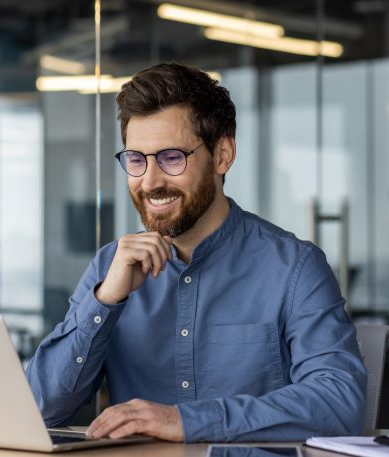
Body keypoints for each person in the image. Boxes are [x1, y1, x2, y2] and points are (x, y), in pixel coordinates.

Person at [26, 62, 366, 442]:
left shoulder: (294, 268)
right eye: (136, 160)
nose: (150, 181)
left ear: (222, 155)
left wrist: (186, 420)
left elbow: (339, 403)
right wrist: (104, 301)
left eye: (172, 158)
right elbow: (39, 408)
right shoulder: (111, 266)